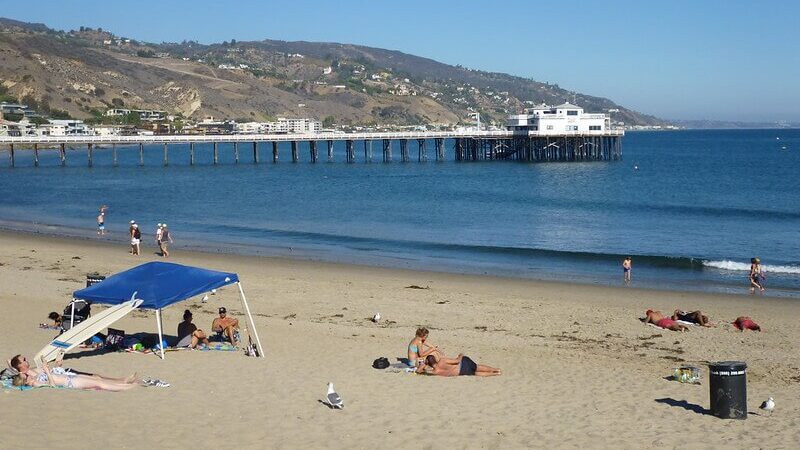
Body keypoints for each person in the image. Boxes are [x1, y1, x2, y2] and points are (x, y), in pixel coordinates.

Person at [9, 354, 167, 391]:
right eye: (23, 360)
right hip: (67, 378)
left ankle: (124, 380)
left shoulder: (32, 372)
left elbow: (49, 372)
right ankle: (131, 385)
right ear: (20, 368)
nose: (27, 360)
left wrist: (56, 363)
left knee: (98, 378)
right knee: (98, 381)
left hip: (65, 374)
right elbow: (11, 373)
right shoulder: (31, 377)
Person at [418, 354, 501, 377]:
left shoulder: (434, 372)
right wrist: (460, 355)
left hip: (462, 372)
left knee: (476, 373)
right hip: (462, 364)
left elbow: (418, 371)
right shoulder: (442, 361)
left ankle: (495, 374)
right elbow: (457, 361)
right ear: (434, 359)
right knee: (477, 367)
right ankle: (495, 369)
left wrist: (424, 364)